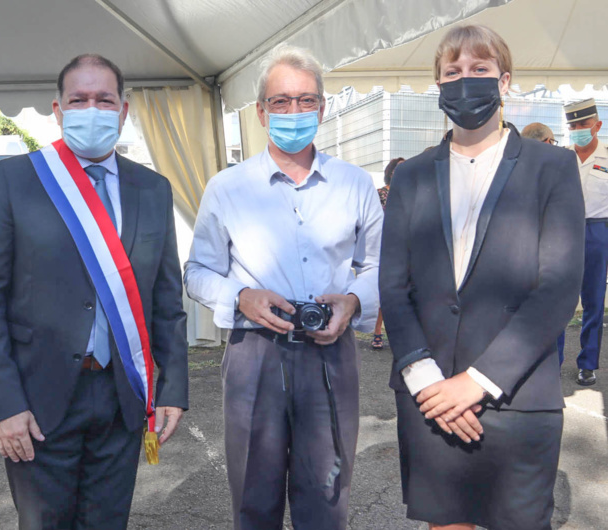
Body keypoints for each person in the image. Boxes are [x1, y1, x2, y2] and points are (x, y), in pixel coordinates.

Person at [0, 54, 188, 530]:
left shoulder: (152, 189)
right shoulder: (15, 180)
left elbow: (166, 300)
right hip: (37, 400)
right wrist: (3, 405)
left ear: (123, 110)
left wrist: (173, 389)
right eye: (79, 100)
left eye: (104, 100)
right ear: (58, 110)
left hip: (122, 396)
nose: (92, 110)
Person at [380, 25, 583, 530]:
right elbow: (393, 287)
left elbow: (558, 287)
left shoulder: (553, 167)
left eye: (479, 68)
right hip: (431, 393)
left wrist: (477, 381)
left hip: (516, 393)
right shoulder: (410, 175)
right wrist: (428, 381)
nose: (464, 80)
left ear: (504, 80)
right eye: (452, 71)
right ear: (438, 84)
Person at [185, 44, 382, 530]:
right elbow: (197, 271)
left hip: (330, 350)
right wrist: (239, 297)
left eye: (305, 100)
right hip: (255, 352)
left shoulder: (354, 184)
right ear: (260, 111)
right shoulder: (227, 187)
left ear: (322, 107)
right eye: (281, 101)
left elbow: (382, 264)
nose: (294, 111)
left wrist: (353, 301)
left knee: (326, 499)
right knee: (254, 499)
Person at [556, 98, 608, 386]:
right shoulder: (560, 158)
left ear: (597, 125)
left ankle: (587, 364)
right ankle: (552, 361)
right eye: (572, 125)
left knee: (594, 301)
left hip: (598, 231)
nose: (577, 130)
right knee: (558, 299)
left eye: (583, 124)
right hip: (563, 231)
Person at [372, 157, 404, 350]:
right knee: (382, 291)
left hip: (406, 248)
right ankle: (377, 331)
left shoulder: (411, 193)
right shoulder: (380, 194)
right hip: (383, 248)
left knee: (401, 293)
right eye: (398, 168)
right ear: (390, 172)